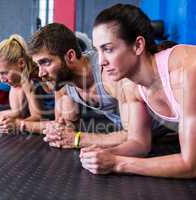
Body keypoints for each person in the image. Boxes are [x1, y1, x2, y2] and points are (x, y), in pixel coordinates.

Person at [80, 3, 196, 178]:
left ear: (138, 45)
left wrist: (117, 163)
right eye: (98, 51)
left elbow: (190, 165)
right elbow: (139, 143)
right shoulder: (131, 86)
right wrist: (106, 153)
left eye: (108, 49)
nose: (100, 62)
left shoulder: (187, 69)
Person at [28, 23, 130, 148]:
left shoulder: (108, 73)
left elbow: (135, 136)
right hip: (127, 135)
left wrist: (77, 139)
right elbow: (63, 129)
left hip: (156, 133)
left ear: (70, 56)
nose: (41, 73)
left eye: (45, 62)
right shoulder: (61, 83)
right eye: (38, 65)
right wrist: (57, 131)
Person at [0, 34, 55, 134]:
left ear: (21, 63)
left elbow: (38, 117)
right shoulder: (19, 82)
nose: (1, 79)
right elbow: (21, 114)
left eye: (4, 73)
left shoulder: (31, 80)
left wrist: (16, 124)